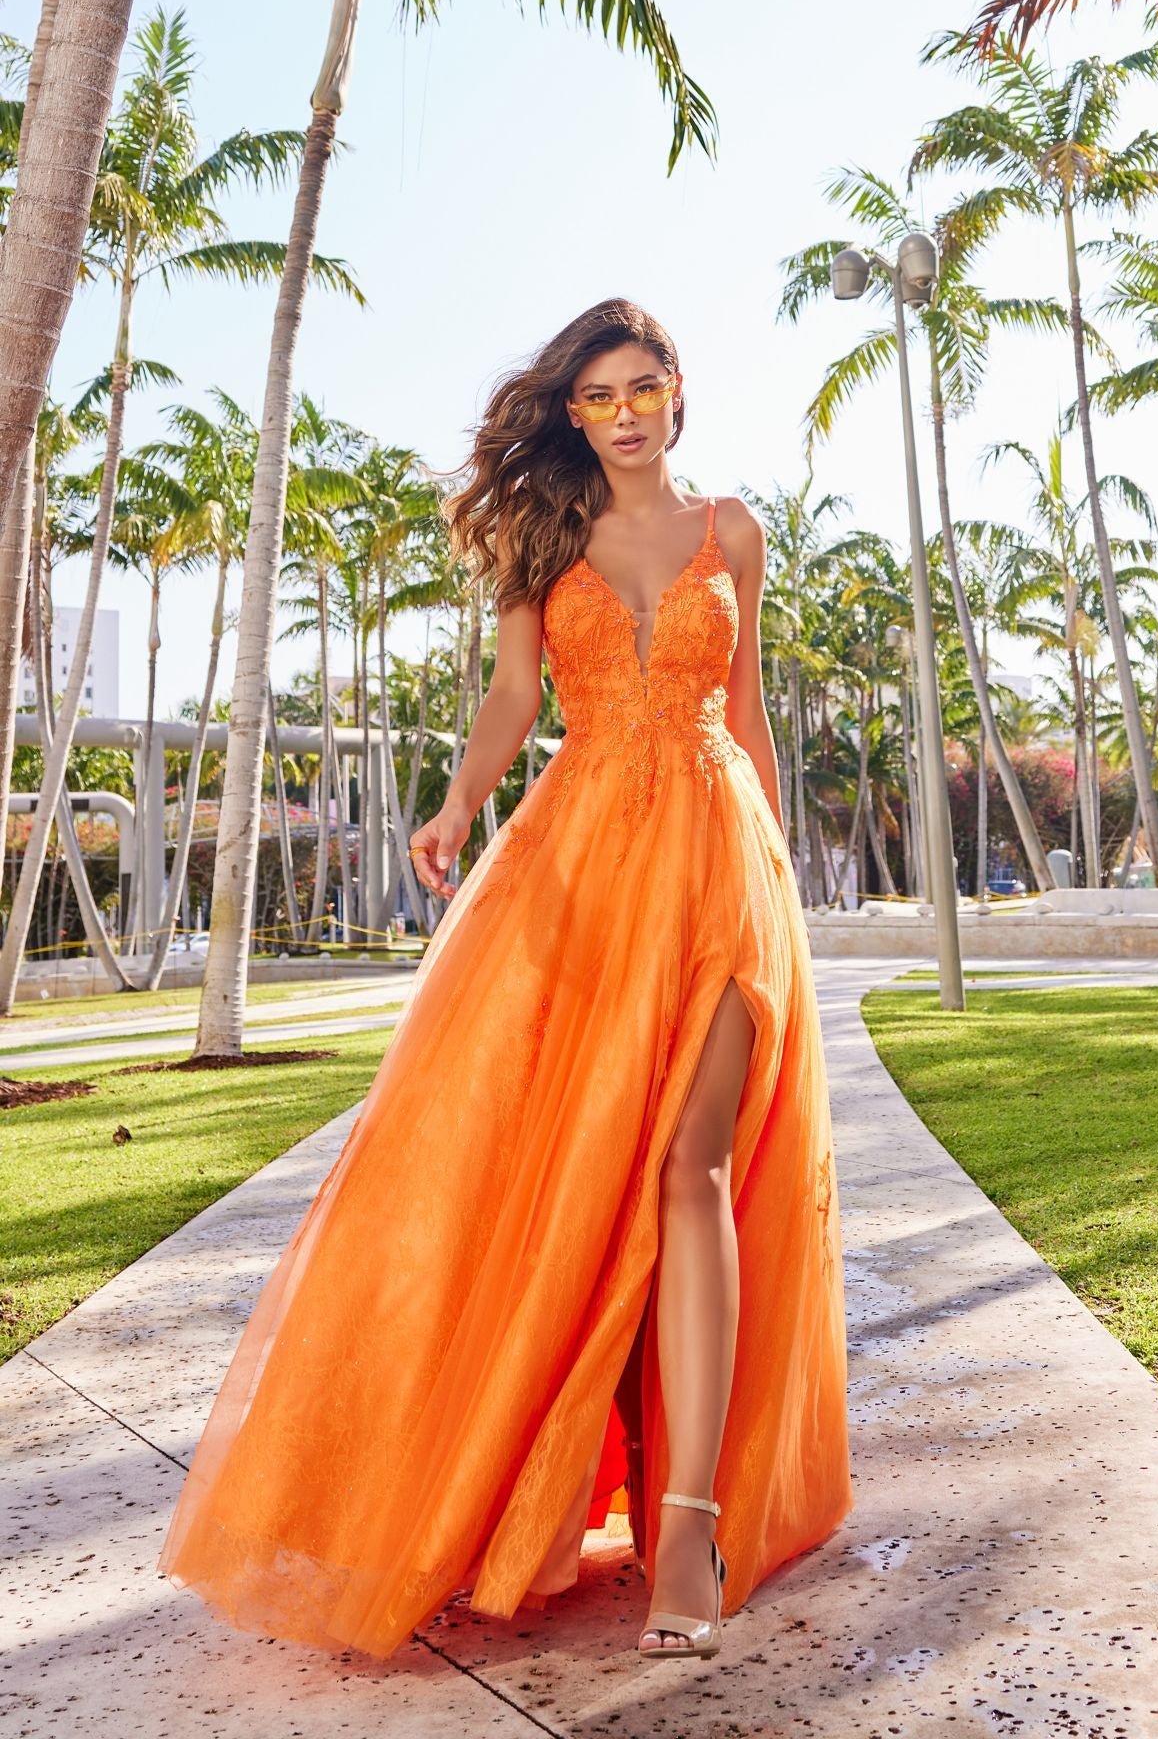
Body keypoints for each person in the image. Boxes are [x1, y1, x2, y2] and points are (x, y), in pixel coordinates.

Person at [157, 297, 853, 1663]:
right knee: (561, 1174)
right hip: (581, 871)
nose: (628, 413)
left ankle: (693, 1527)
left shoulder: (734, 532)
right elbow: (511, 699)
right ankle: (514, 1474)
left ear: (679, 391)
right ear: (575, 414)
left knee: (695, 1169)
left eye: (646, 386)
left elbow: (752, 713)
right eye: (600, 397)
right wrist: (457, 803)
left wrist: (784, 889)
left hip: (721, 862)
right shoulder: (547, 544)